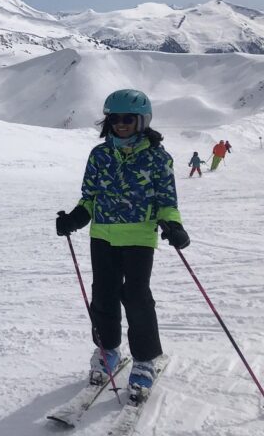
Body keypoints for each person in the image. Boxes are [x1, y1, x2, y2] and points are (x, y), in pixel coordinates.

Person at [55, 89, 188, 401]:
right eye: (115, 118)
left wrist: (174, 224)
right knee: (102, 294)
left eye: (128, 118)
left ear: (142, 120)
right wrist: (75, 217)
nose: (121, 124)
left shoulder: (157, 158)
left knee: (137, 296)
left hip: (139, 236)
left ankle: (144, 359)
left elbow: (166, 201)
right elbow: (89, 197)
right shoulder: (99, 155)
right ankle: (108, 349)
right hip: (102, 235)